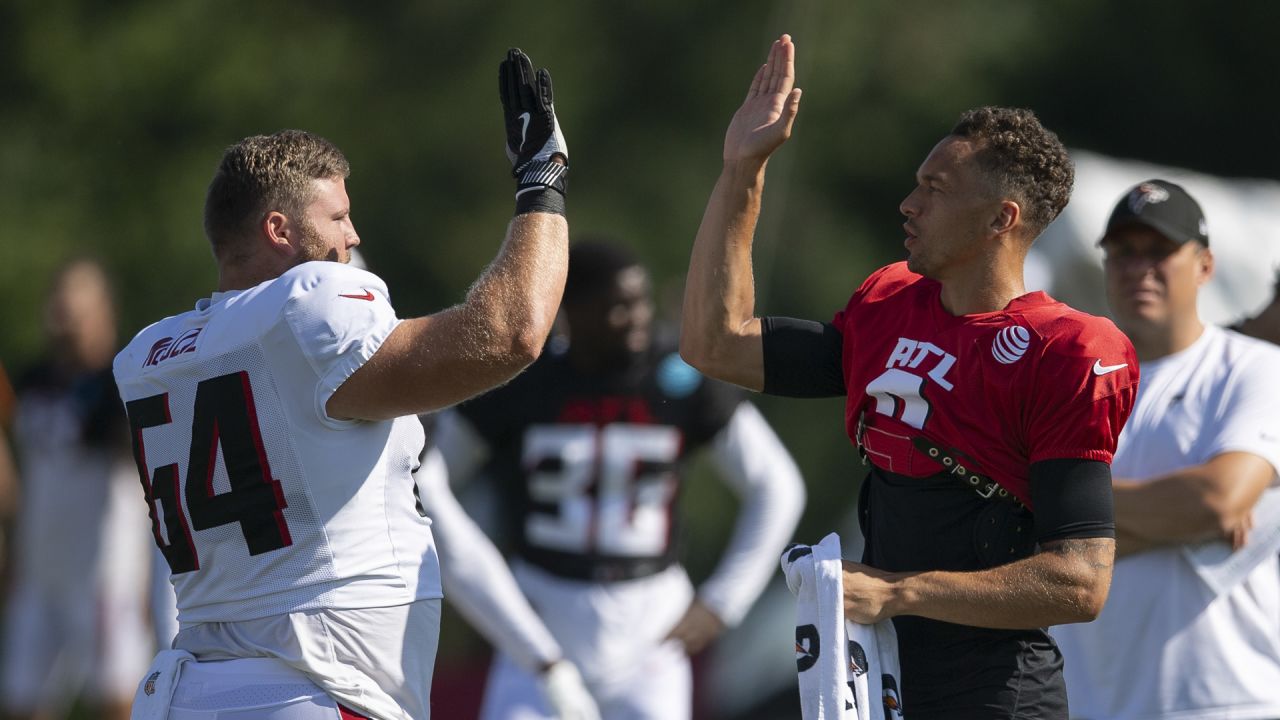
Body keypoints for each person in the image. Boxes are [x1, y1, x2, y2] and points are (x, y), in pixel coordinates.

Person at [680, 35, 1138, 719]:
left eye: (935, 188)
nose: (909, 203)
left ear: (1000, 220)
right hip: (882, 676)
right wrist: (742, 171)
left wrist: (897, 591)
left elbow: (1078, 584)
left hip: (994, 694)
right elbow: (714, 344)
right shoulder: (890, 304)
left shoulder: (1065, 348)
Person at [113, 48, 570, 720]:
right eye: (337, 217)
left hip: (195, 689)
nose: (352, 236)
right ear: (280, 229)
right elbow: (511, 334)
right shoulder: (307, 306)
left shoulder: (147, 353)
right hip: (313, 689)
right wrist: (543, 180)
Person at [427, 239, 805, 719]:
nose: (638, 318)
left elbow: (776, 485)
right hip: (541, 623)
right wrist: (493, 599)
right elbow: (428, 478)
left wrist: (722, 603)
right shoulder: (523, 379)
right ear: (570, 312)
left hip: (650, 626)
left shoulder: (677, 374)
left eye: (641, 302)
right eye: (618, 307)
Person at [1050, 180, 1280, 719]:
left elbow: (1216, 502)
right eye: (1123, 252)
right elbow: (1011, 535)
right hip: (1087, 702)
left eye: (1159, 251)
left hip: (1227, 700)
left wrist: (1058, 511)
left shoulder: (1255, 369)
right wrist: (1172, 516)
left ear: (1204, 265)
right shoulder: (1065, 386)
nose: (1138, 267)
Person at [1, 259, 154, 720]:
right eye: (60, 298)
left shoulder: (120, 384)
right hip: (41, 568)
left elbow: (143, 472)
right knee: (22, 700)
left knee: (114, 699)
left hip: (104, 572)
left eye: (76, 301)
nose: (63, 313)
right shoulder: (33, 381)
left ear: (102, 311)